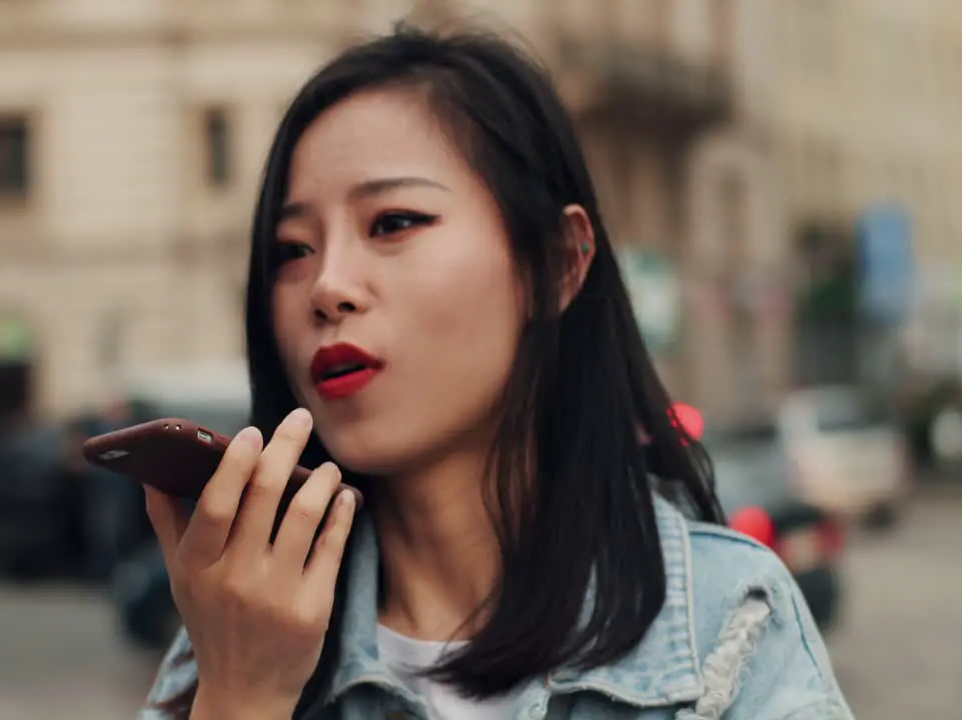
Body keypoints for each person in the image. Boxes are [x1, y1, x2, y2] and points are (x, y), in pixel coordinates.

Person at [139, 23, 853, 720]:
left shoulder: (725, 623)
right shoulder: (232, 641)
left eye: (392, 223)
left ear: (555, 263)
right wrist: (242, 698)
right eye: (292, 250)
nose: (327, 286)